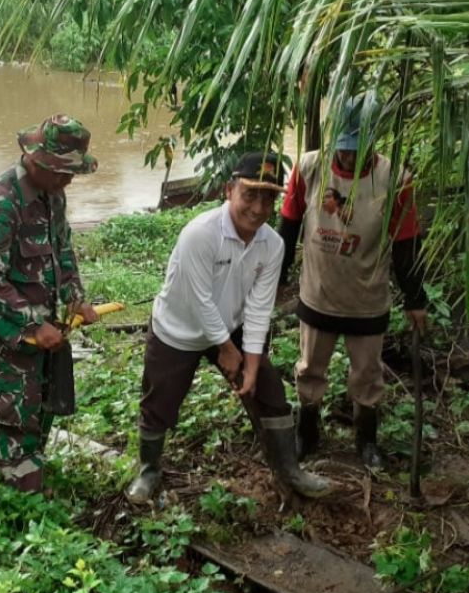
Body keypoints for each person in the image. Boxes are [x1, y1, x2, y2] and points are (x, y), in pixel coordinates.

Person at [125, 151, 332, 505]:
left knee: (268, 390)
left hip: (232, 325)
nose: (257, 207)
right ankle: (149, 470)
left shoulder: (273, 244)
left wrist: (250, 363)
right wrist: (227, 350)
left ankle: (289, 470)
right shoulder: (200, 234)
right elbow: (200, 301)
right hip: (179, 328)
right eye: (249, 194)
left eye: (268, 198)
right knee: (159, 400)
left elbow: (258, 307)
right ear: (229, 190)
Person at [278, 94, 428, 468]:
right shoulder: (309, 168)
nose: (347, 157)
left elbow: (407, 244)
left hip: (367, 298)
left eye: (356, 150)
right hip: (318, 295)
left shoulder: (394, 179)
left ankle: (366, 440)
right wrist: (275, 279)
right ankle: (307, 432)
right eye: (342, 149)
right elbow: (288, 228)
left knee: (367, 375)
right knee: (310, 369)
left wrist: (415, 299)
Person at [0, 114, 100, 493]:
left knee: (42, 404)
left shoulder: (53, 194)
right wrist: (30, 325)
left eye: (71, 173)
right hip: (8, 330)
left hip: (46, 326)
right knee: (17, 414)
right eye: (62, 172)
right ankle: (22, 498)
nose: (68, 180)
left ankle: (31, 471)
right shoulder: (0, 202)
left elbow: (63, 250)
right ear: (37, 161)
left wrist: (75, 299)